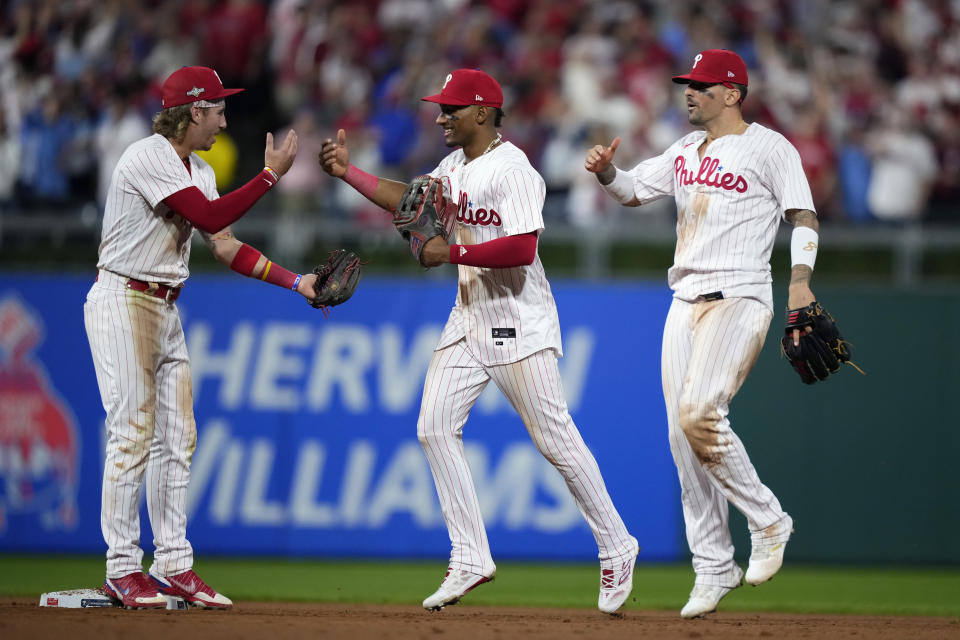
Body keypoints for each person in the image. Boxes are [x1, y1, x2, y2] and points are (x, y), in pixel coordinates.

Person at [321, 68, 639, 614]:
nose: (441, 116)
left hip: (517, 317)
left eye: (451, 108)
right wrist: (351, 174)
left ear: (484, 113)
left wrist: (451, 253)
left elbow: (520, 248)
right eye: (441, 108)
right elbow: (412, 202)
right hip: (467, 314)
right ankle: (470, 556)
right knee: (433, 427)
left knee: (555, 440)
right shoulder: (453, 166)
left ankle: (617, 544)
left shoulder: (515, 170)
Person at [585, 49, 811, 619]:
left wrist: (801, 283)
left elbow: (803, 215)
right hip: (683, 301)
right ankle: (713, 566)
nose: (689, 92)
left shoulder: (770, 147)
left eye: (702, 85)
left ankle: (768, 520)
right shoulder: (685, 150)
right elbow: (636, 192)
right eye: (687, 83)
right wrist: (608, 173)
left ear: (732, 93)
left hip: (739, 295)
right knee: (683, 443)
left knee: (700, 415)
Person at [83, 65, 308, 610]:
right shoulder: (147, 156)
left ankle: (173, 565)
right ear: (191, 112)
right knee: (132, 432)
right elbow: (205, 214)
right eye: (217, 110)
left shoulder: (198, 170)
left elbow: (225, 245)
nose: (224, 120)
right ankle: (120, 568)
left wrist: (297, 281)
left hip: (164, 306)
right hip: (123, 299)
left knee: (178, 437)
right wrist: (269, 177)